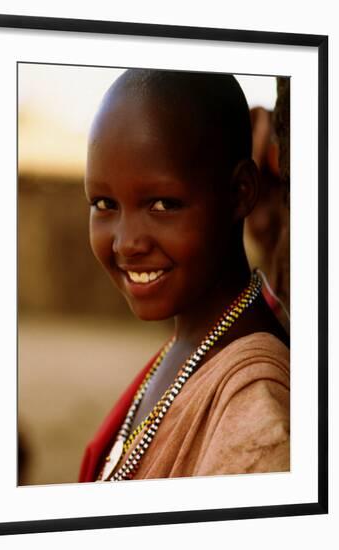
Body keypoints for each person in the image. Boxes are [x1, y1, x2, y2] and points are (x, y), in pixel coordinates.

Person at [78, 69, 290, 483]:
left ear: (241, 191)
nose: (126, 243)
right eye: (104, 203)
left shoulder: (254, 413)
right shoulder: (191, 342)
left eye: (162, 204)